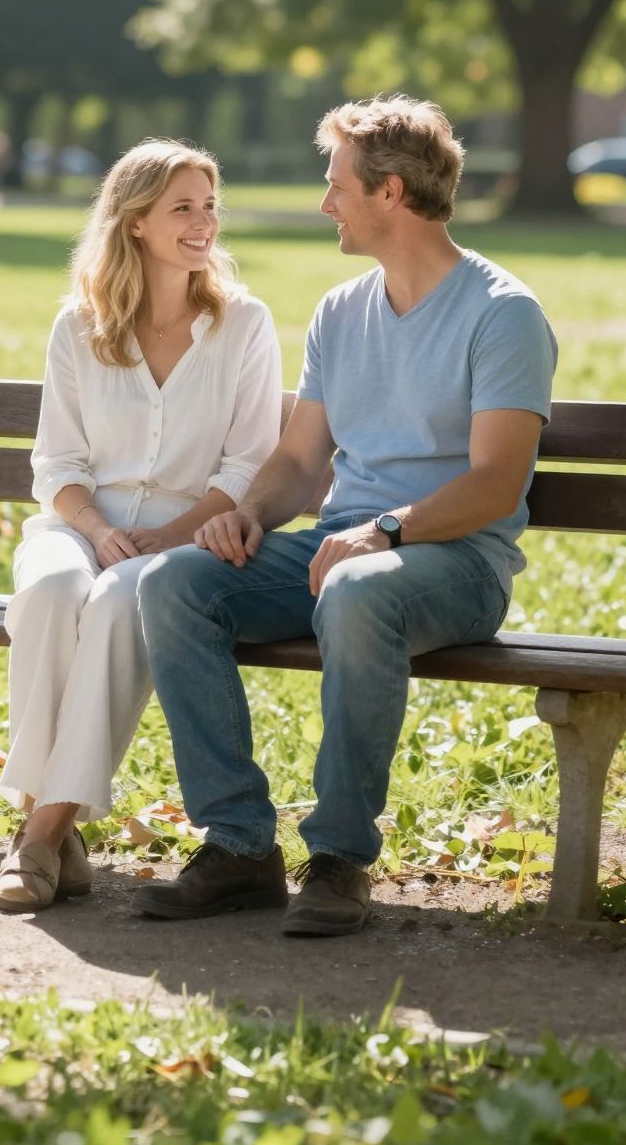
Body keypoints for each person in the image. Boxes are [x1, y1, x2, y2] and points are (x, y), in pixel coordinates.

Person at [136, 94, 557, 937]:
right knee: (175, 582)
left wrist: (385, 531)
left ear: (391, 193)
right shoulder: (340, 310)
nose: (325, 203)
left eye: (337, 186)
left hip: (454, 563)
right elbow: (299, 461)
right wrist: (249, 513)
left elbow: (496, 484)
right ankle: (238, 843)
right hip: (343, 551)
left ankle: (338, 859)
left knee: (360, 589)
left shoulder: (503, 314)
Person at [0, 138, 283, 912]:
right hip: (80, 528)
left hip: (186, 539)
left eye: (209, 206)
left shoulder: (243, 324)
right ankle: (51, 828)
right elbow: (56, 465)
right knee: (54, 588)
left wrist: (169, 535)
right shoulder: (78, 327)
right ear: (134, 225)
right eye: (182, 208)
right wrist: (92, 529)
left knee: (124, 600)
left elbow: (250, 464)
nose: (203, 223)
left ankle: (41, 833)